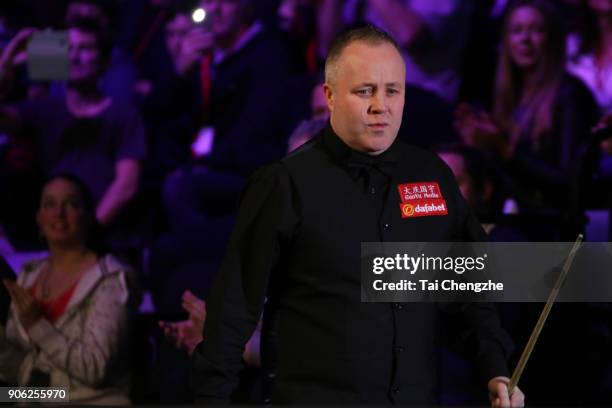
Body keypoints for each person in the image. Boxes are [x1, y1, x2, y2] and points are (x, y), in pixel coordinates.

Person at [192, 25, 524, 407]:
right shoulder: (285, 183)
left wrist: (496, 368)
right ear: (329, 96)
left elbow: (470, 291)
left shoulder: (432, 176)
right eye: (364, 90)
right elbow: (234, 308)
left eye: (392, 91)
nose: (379, 105)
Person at [0, 174, 136, 404]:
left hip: (87, 399)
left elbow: (93, 369)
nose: (59, 213)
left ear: (89, 217)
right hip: (40, 397)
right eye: (49, 204)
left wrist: (37, 325)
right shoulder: (29, 274)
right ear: (39, 217)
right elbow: (19, 371)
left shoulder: (113, 279)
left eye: (71, 204)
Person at [0, 20, 146, 232]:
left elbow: (126, 185)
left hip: (104, 236)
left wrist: (86, 234)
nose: (74, 57)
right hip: (55, 231)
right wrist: (5, 68)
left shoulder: (124, 114)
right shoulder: (44, 110)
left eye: (85, 49)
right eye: (67, 49)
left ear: (105, 61)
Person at [454, 0, 599, 212]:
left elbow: (569, 182)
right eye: (516, 31)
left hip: (554, 223)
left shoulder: (570, 94)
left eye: (536, 31)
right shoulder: (506, 94)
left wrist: (505, 149)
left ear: (552, 39)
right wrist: (477, 146)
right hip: (513, 214)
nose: (525, 39)